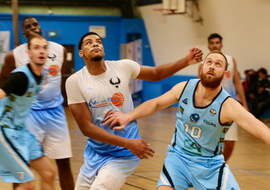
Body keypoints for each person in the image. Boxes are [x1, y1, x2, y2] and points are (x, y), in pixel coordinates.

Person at [104, 51, 270, 190]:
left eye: (218, 64)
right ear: (202, 68)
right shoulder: (184, 88)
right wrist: (127, 115)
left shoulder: (228, 105)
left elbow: (262, 130)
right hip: (177, 159)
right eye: (209, 62)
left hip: (209, 166)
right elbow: (156, 104)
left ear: (225, 74)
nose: (212, 65)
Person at [65, 31, 203, 190]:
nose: (95, 44)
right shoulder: (75, 82)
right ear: (80, 53)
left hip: (124, 155)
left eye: (98, 41)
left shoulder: (123, 66)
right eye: (89, 42)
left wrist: (186, 61)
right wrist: (128, 143)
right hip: (96, 153)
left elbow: (156, 73)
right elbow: (86, 128)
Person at [0, 16, 74, 190]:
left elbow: (57, 79)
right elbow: (3, 80)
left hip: (55, 113)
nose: (33, 27)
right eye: (28, 26)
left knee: (63, 163)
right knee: (22, 164)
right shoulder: (14, 55)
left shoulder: (59, 50)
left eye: (35, 24)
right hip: (29, 114)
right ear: (23, 33)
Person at [0, 35, 56, 190]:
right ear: (29, 53)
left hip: (22, 131)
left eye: (44, 47)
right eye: (36, 47)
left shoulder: (41, 75)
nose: (41, 51)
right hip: (5, 131)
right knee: (28, 185)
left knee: (48, 173)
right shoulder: (21, 76)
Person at [199, 33, 248, 162]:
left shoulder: (231, 60)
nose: (215, 45)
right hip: (211, 106)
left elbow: (237, 81)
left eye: (217, 42)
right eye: (212, 43)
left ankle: (219, 165)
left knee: (230, 143)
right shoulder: (204, 63)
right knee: (211, 142)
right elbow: (200, 86)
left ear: (221, 45)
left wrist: (244, 103)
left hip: (229, 105)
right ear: (209, 45)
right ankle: (209, 165)